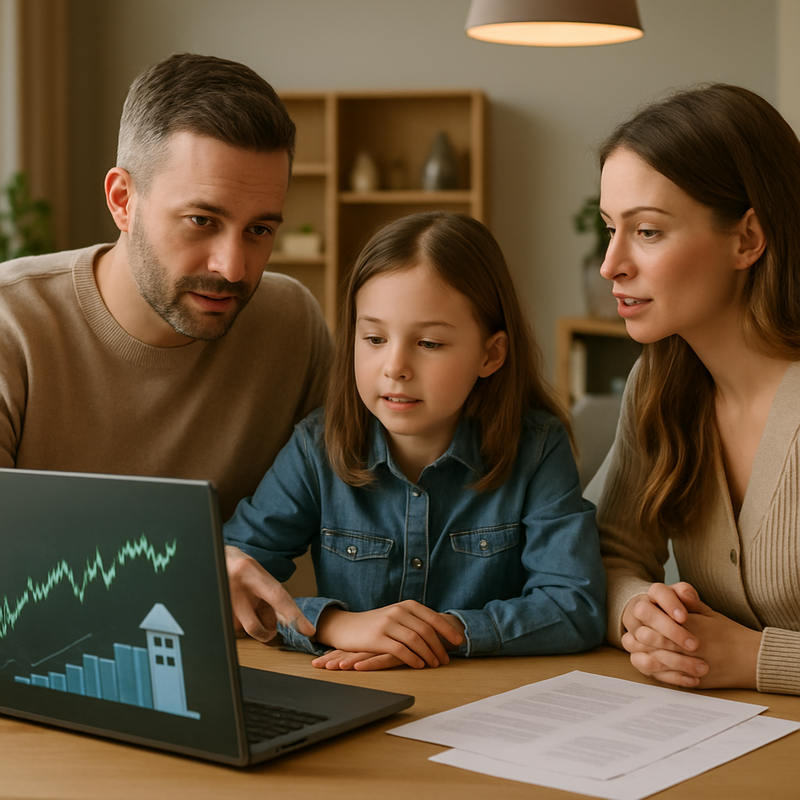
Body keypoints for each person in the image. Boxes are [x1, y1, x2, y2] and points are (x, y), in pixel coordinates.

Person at [0, 53, 332, 639]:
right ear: (123, 200)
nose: (233, 267)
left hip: (230, 667)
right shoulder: (12, 321)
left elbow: (369, 496)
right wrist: (185, 574)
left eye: (260, 229)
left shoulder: (291, 323)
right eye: (202, 220)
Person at [224, 211, 606, 670]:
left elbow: (575, 606)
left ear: (490, 354)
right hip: (354, 695)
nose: (395, 366)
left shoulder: (538, 447)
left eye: (428, 343)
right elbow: (228, 585)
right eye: (374, 338)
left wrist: (432, 636)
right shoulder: (316, 446)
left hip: (486, 706)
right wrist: (337, 626)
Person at [596, 83, 800, 695]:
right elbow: (608, 554)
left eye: (648, 231)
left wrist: (758, 658)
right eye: (610, 228)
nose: (611, 264)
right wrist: (639, 612)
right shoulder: (659, 382)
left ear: (747, 240)